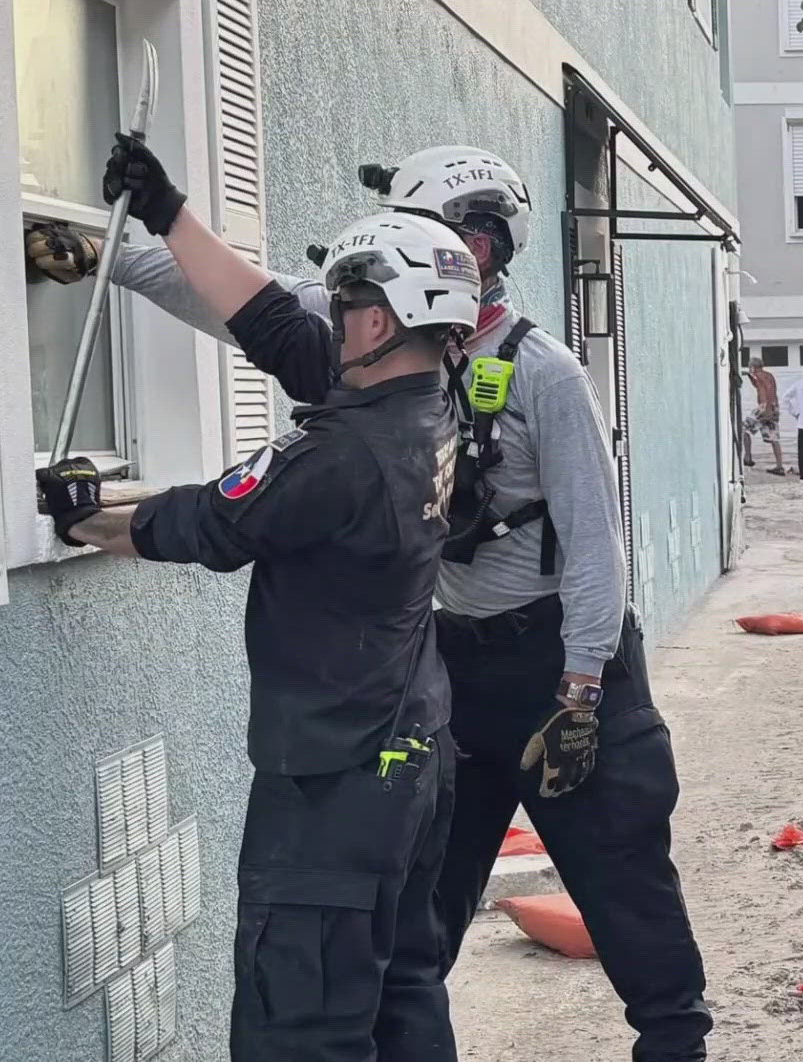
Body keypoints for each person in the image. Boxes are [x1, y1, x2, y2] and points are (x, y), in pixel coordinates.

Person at [84, 144, 713, 1061]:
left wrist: (582, 693)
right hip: (453, 667)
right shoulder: (376, 336)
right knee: (416, 920)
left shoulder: (543, 373)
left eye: (483, 236)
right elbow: (245, 305)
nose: (471, 251)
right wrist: (109, 241)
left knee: (620, 873)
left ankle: (674, 1041)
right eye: (452, 234)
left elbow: (593, 542)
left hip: (559, 667)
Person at [36, 136, 476, 1060]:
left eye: (352, 301)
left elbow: (199, 523)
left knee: (300, 1029)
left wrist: (81, 513)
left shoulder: (342, 458)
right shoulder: (431, 400)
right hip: (410, 757)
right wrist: (170, 214)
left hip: (338, 783)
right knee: (401, 995)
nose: (340, 312)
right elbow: (275, 325)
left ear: (384, 324)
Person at [743, 355, 787, 474]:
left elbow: (766, 389)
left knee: (744, 429)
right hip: (774, 407)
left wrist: (766, 409)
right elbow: (759, 384)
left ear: (753, 367)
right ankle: (779, 466)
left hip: (764, 407)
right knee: (774, 437)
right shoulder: (768, 375)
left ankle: (748, 457)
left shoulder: (758, 376)